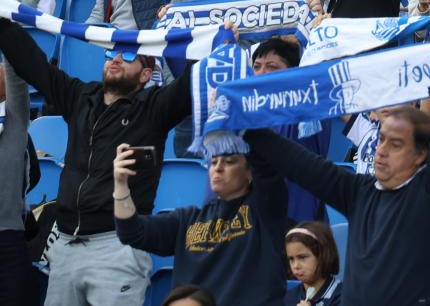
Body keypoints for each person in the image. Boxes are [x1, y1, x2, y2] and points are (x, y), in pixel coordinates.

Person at [0, 17, 191, 306]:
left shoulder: (155, 108)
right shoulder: (80, 97)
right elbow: (35, 66)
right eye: (111, 53)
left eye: (128, 55)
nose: (116, 59)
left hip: (117, 245)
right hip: (64, 245)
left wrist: (214, 38)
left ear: (145, 75)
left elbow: (194, 82)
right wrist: (5, 21)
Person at [245, 102, 430, 306]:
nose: (381, 150)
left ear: (421, 155)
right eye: (381, 139)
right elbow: (299, 163)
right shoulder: (360, 191)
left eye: (396, 144)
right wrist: (244, 125)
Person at [112, 144, 289, 306]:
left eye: (229, 162)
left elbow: (266, 169)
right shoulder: (188, 218)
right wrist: (120, 185)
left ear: (250, 172)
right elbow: (131, 231)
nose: (218, 167)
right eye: (213, 162)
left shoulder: (264, 210)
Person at [284, 221, 344, 306]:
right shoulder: (288, 297)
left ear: (323, 255)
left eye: (302, 257)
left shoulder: (344, 296)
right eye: (291, 259)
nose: (296, 266)